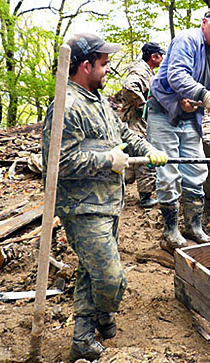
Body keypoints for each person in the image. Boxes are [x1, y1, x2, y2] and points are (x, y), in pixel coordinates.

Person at [41, 33, 168, 362]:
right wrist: (107, 161)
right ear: (85, 66)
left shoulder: (96, 99)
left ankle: (83, 336)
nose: (109, 70)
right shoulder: (66, 105)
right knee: (111, 279)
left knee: (90, 270)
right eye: (104, 64)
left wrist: (148, 149)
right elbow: (58, 163)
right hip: (82, 207)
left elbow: (123, 134)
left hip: (108, 203)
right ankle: (102, 311)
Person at [147, 6, 210, 252]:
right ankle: (170, 231)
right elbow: (176, 75)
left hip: (191, 117)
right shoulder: (187, 40)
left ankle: (194, 227)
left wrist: (208, 100)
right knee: (168, 170)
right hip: (163, 112)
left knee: (196, 169)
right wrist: (201, 95)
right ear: (205, 22)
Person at [114, 42, 166, 207]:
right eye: (161, 55)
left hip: (134, 120)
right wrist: (143, 106)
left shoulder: (146, 70)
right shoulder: (141, 71)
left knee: (129, 160)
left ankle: (116, 195)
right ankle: (145, 196)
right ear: (154, 57)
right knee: (144, 157)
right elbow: (129, 87)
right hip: (134, 121)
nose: (163, 59)